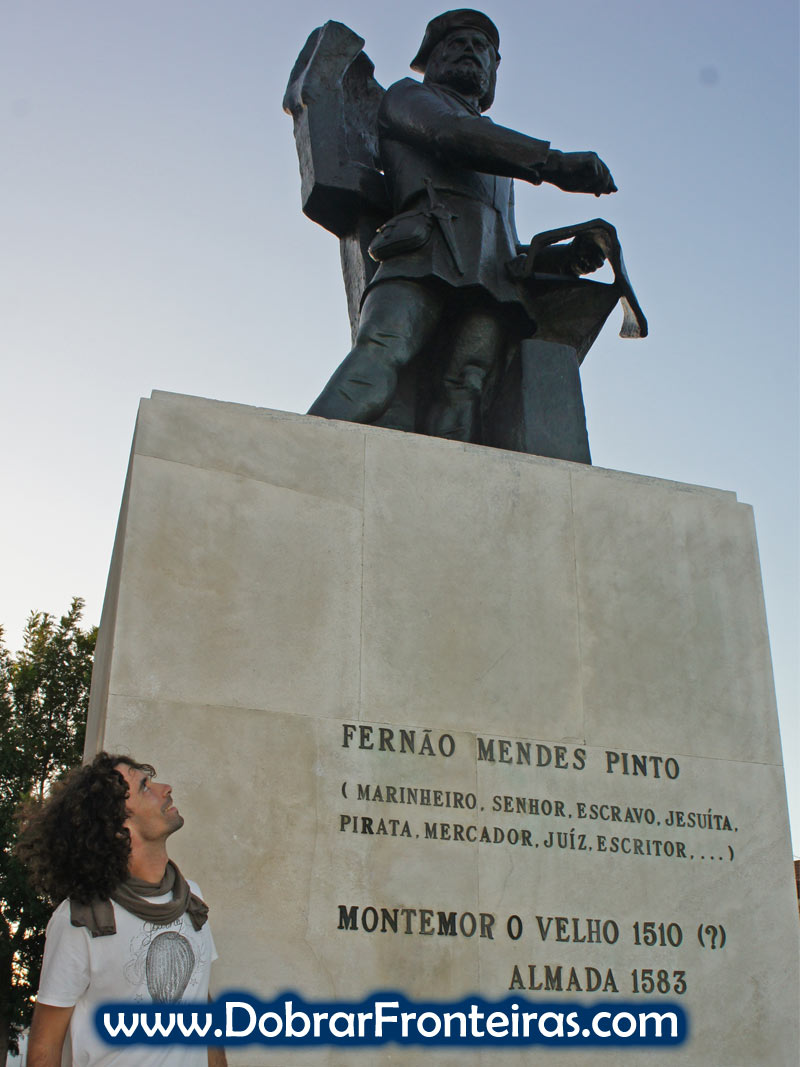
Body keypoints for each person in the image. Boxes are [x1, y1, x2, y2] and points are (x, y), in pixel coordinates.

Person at [308, 8, 614, 443]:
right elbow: (449, 135)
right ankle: (303, 454)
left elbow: (504, 242)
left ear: (495, 70)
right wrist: (553, 163)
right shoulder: (408, 97)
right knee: (380, 353)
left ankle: (450, 496)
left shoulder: (500, 157)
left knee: (466, 386)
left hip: (491, 278)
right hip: (420, 250)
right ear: (432, 60)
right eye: (458, 44)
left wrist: (567, 258)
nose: (471, 52)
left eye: (483, 49)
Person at [18, 752, 226, 1066]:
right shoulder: (80, 921)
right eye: (145, 787)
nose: (165, 788)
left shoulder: (190, 898)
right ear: (120, 827)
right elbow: (45, 1047)